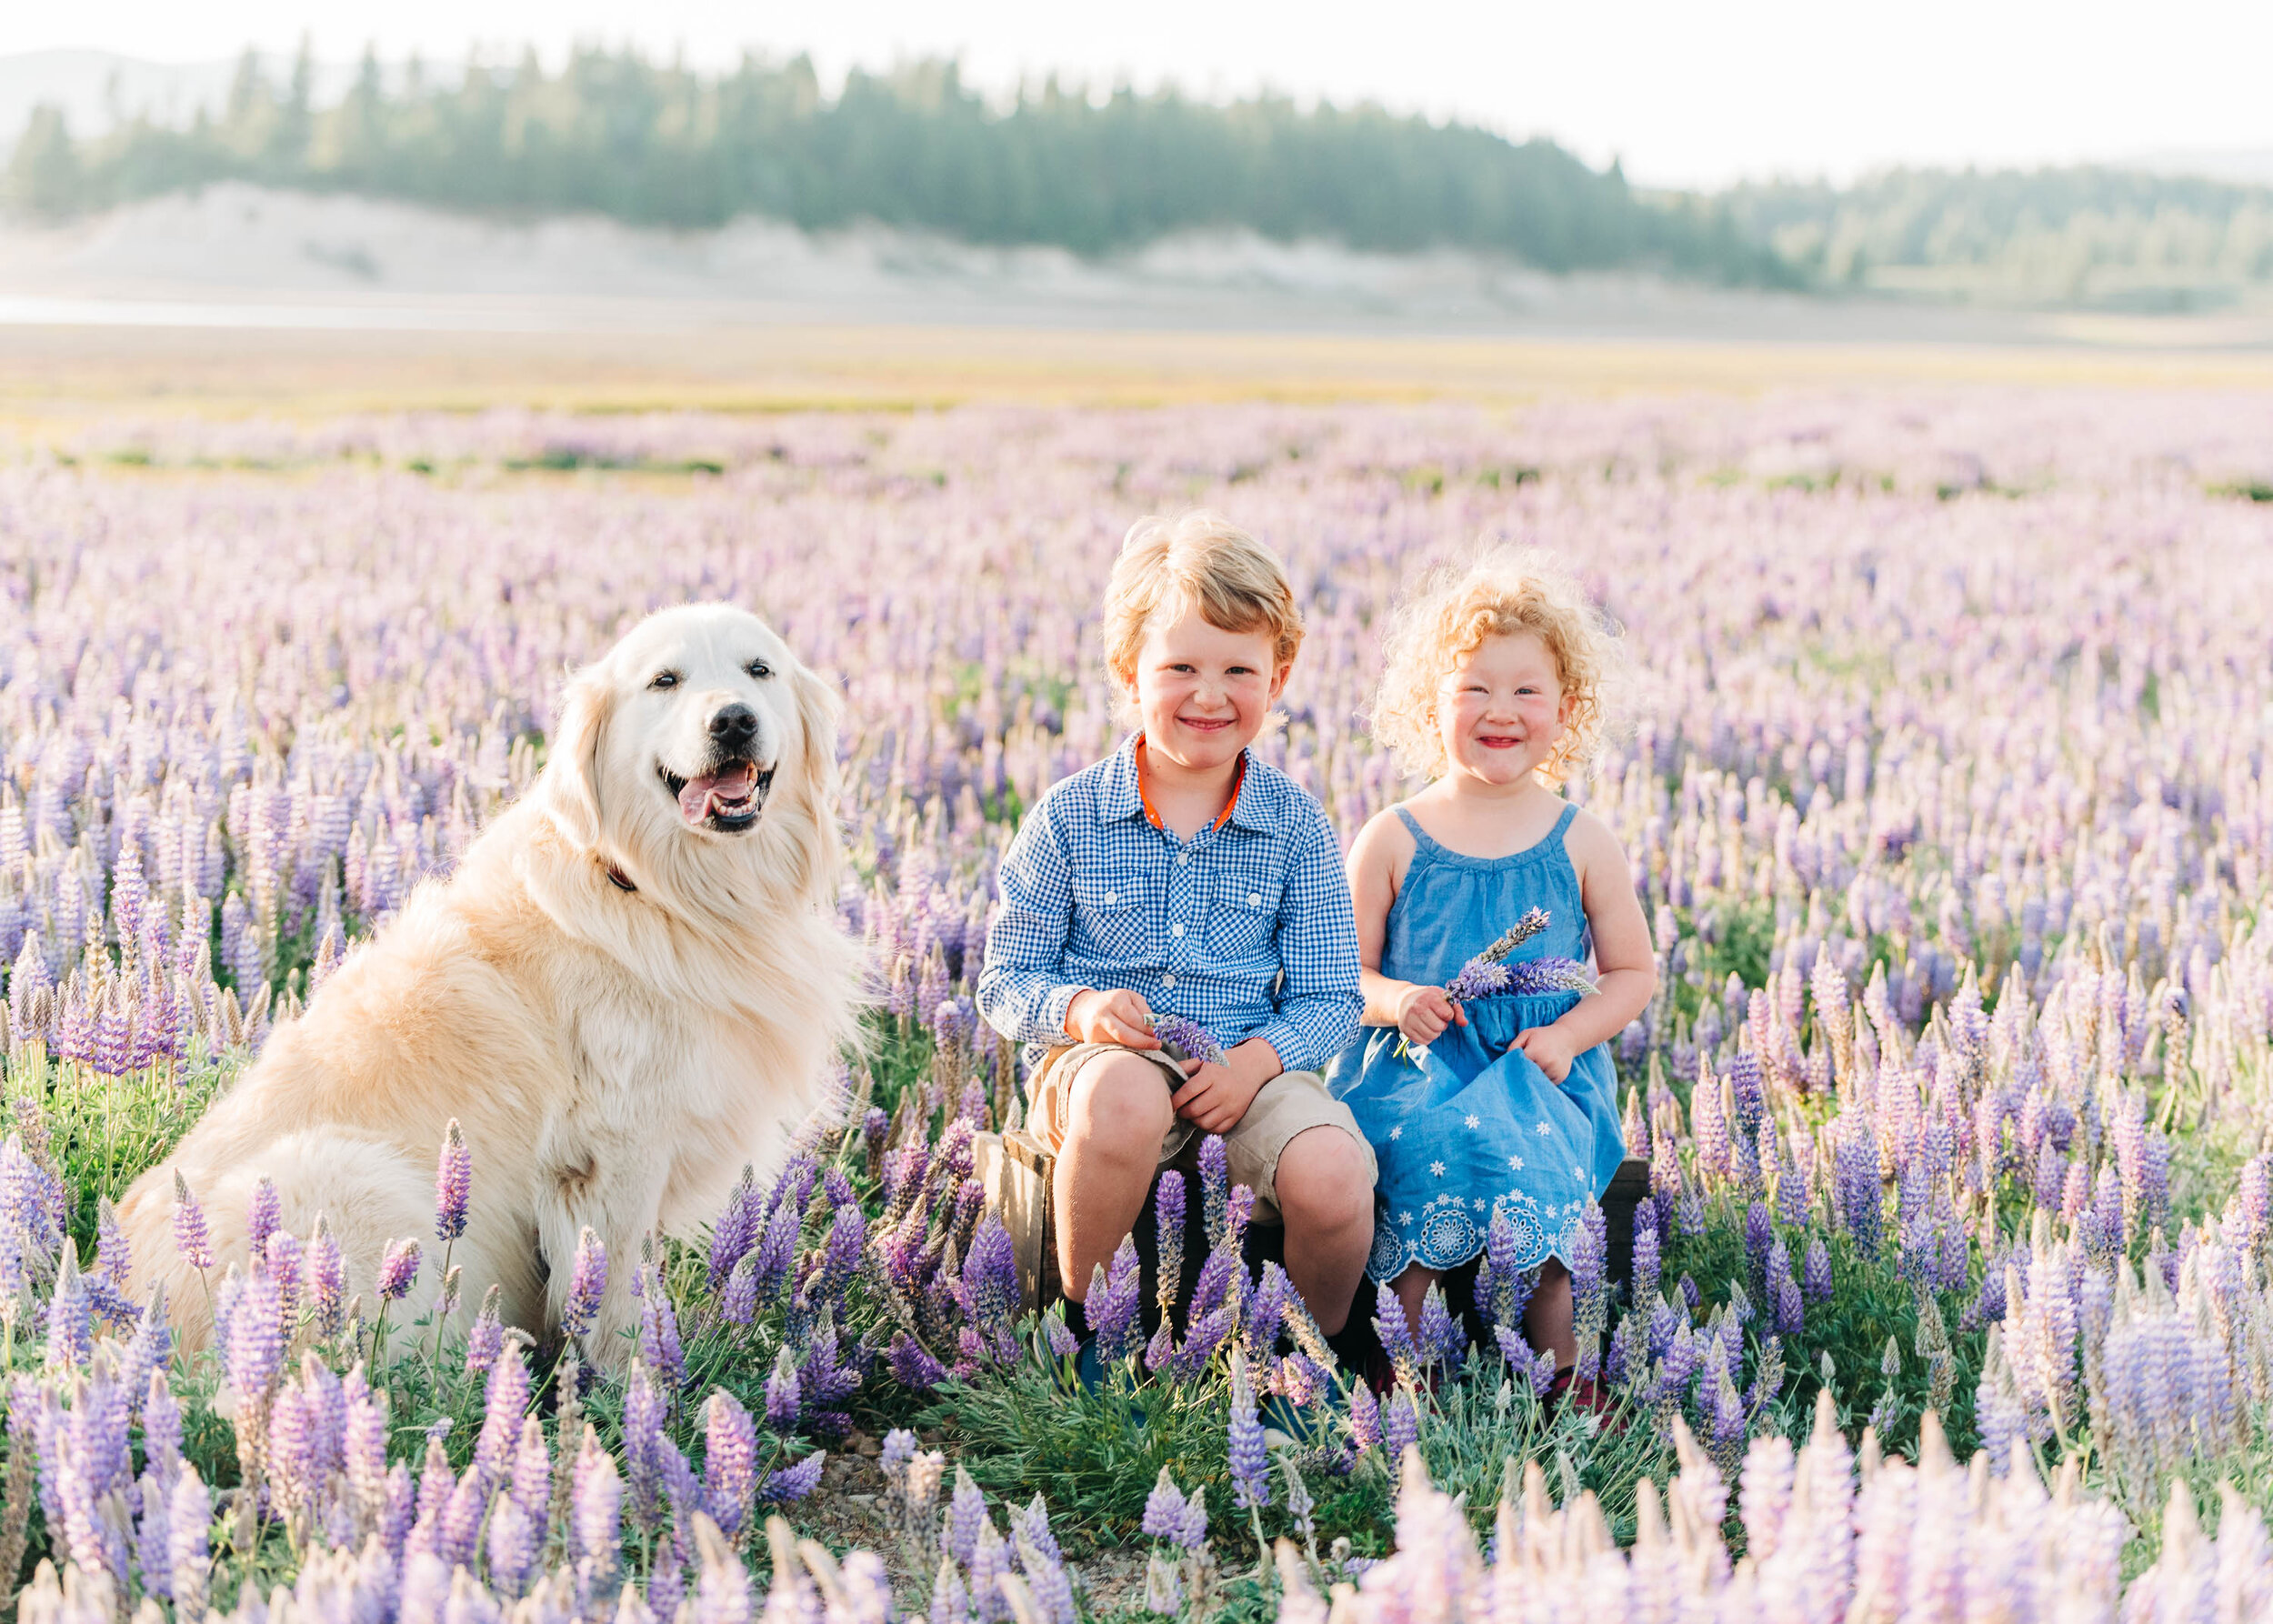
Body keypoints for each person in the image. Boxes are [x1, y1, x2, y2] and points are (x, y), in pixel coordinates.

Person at [976, 511, 1375, 1338]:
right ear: (1128, 672)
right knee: (1125, 1097)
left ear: (1280, 677)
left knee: (1335, 1172)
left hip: (1251, 1074)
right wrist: (1082, 1009)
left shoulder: (1295, 826)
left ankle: (1309, 1359)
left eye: (1238, 668)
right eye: (1180, 666)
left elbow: (1332, 996)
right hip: (1103, 1067)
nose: (1209, 693)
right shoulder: (1070, 818)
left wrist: (1255, 1065)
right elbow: (1004, 980)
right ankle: (1091, 1332)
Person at [1327, 548, 1656, 1396]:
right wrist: (1399, 1001)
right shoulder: (1394, 836)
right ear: (1426, 703)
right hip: (1416, 1067)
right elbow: (1341, 974)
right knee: (1416, 1155)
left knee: (1538, 1170)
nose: (1498, 711)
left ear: (1565, 708)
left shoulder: (1582, 840)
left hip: (1539, 1070)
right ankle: (1402, 1374)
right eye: (1472, 689)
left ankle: (1565, 1382)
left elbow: (1630, 975)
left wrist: (1568, 1037)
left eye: (1524, 691)